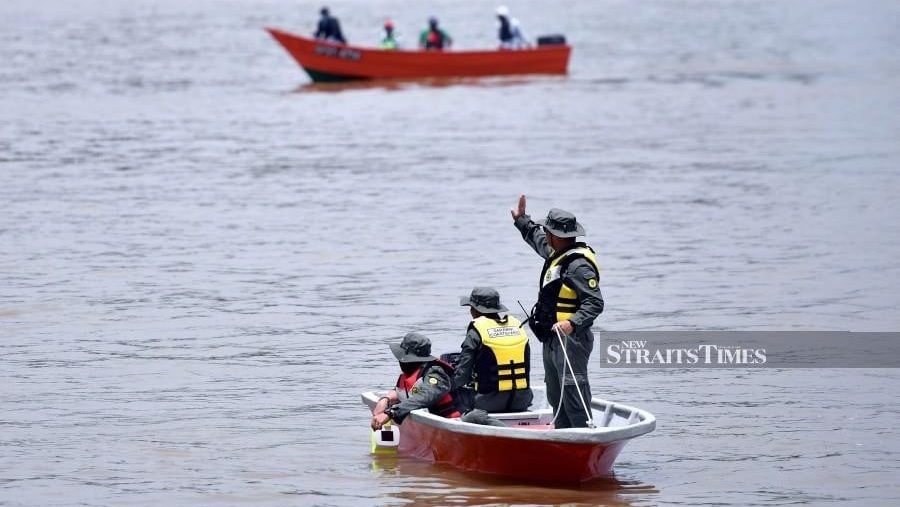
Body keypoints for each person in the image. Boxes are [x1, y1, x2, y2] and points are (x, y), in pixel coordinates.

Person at [510, 195, 604, 428]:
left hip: (571, 340)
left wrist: (572, 323)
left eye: (548, 231)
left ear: (557, 236)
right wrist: (522, 220)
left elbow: (595, 303)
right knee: (555, 394)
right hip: (552, 339)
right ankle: (562, 434)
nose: (546, 235)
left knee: (572, 390)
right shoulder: (557, 253)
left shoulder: (578, 266)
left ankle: (583, 436)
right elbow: (538, 239)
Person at [453, 287, 534, 413]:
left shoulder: (476, 333)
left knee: (451, 392)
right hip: (522, 401)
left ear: (475, 310)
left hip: (487, 404)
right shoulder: (518, 328)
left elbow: (462, 377)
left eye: (471, 307)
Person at [371, 332, 462, 430]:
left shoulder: (435, 373)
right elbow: (400, 390)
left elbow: (425, 396)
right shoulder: (410, 373)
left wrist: (391, 413)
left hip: (447, 425)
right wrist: (386, 399)